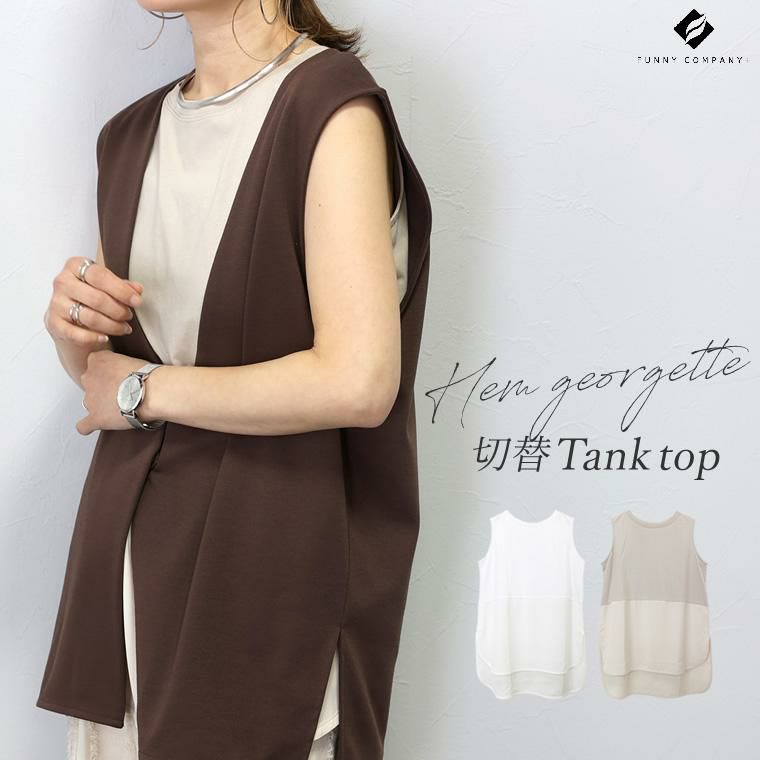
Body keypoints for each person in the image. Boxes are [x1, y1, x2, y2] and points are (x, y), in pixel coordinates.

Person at [38, 1, 432, 758]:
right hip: (127, 565)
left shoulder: (329, 105)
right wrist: (73, 330)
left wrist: (144, 390)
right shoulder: (129, 136)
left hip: (266, 565)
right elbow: (108, 385)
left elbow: (359, 380)